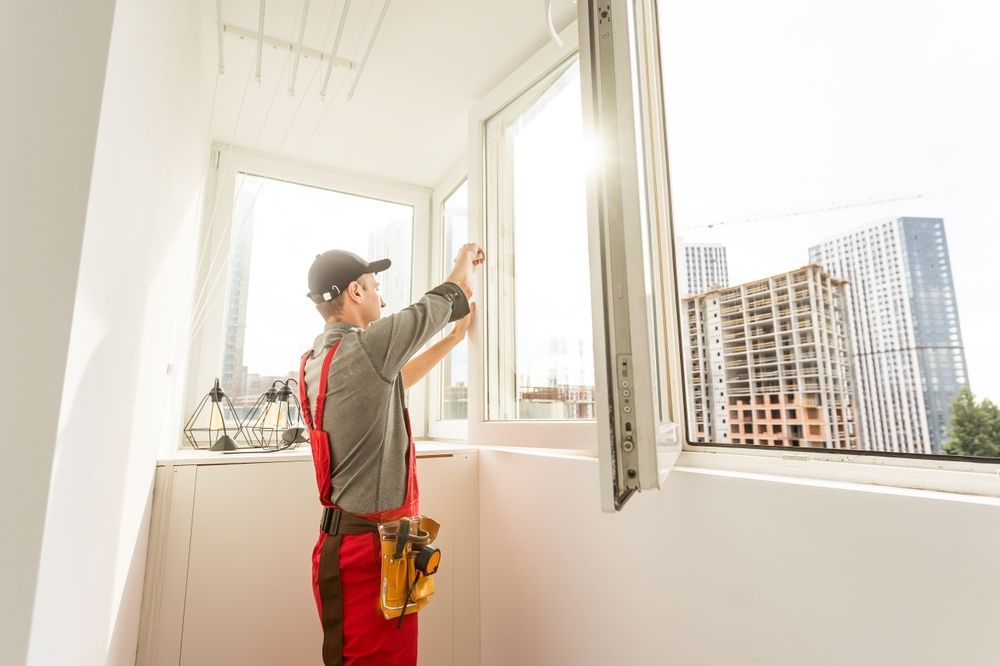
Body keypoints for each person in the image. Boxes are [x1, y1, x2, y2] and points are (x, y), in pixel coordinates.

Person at [298, 243, 483, 666]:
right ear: (355, 292)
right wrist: (464, 259)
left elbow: (393, 379)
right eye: (376, 287)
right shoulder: (366, 349)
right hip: (367, 558)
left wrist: (455, 340)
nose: (383, 297)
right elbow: (445, 297)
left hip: (348, 548)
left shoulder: (318, 360)